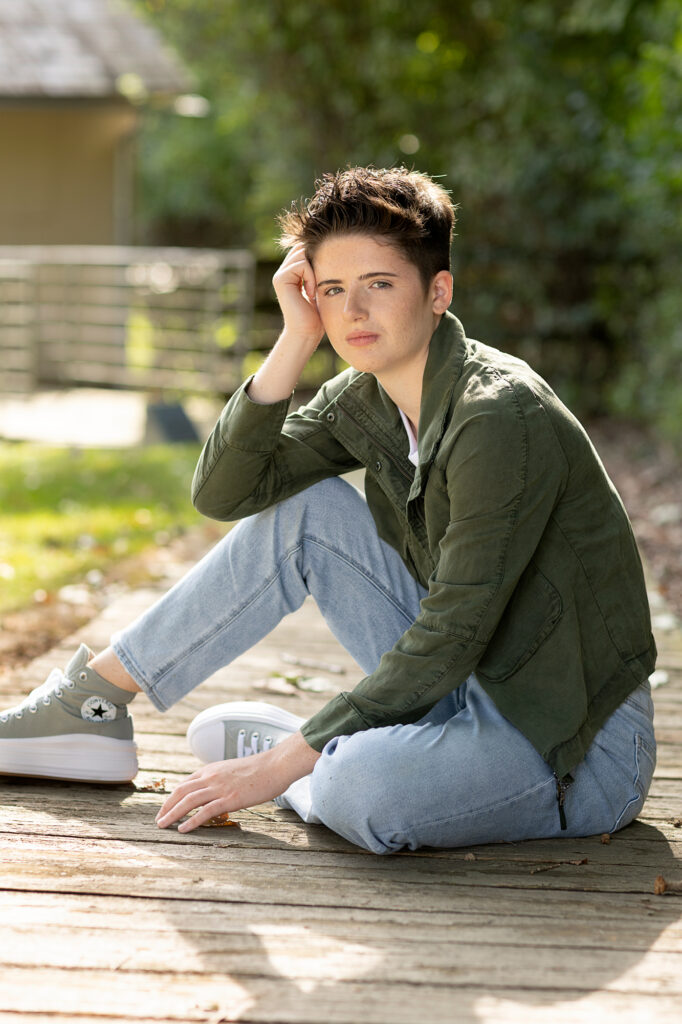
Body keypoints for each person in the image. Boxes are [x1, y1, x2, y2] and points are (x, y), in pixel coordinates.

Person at [0, 167, 657, 855]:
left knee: (359, 795)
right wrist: (294, 340)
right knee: (307, 509)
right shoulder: (364, 397)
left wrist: (280, 765)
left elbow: (454, 632)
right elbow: (225, 494)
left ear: (439, 292)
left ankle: (321, 759)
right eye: (333, 290)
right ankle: (90, 703)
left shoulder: (498, 416)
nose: (352, 312)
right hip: (470, 690)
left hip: (574, 745)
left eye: (379, 284)